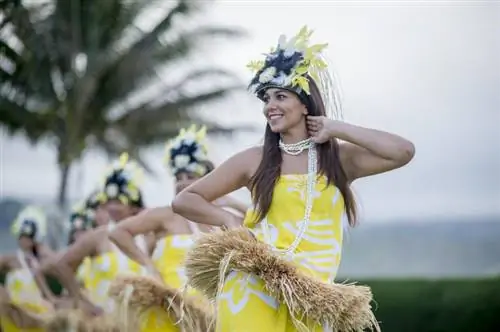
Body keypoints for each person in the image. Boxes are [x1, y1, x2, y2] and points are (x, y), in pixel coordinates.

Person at [171, 26, 415, 331]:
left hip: (313, 298)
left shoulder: (338, 160)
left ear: (304, 104)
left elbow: (403, 151)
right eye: (266, 98)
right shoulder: (255, 159)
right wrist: (231, 222)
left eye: (280, 96)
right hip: (253, 285)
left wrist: (336, 128)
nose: (270, 105)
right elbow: (184, 200)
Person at [107, 125, 248, 332]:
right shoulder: (166, 215)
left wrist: (230, 201)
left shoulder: (222, 218)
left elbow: (261, 224)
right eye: (178, 178)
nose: (182, 184)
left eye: (190, 177)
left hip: (211, 314)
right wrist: (149, 266)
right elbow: (118, 232)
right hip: (169, 310)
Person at [43, 153, 150, 321]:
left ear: (133, 206)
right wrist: (83, 303)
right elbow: (62, 265)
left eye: (119, 202)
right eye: (109, 201)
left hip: (140, 321)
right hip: (103, 322)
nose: (113, 207)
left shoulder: (146, 237)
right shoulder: (98, 236)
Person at [0, 206, 58, 331]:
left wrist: (52, 300)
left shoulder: (39, 261)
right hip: (13, 312)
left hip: (35, 312)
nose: (25, 240)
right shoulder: (11, 259)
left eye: (29, 237)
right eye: (23, 236)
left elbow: (58, 264)